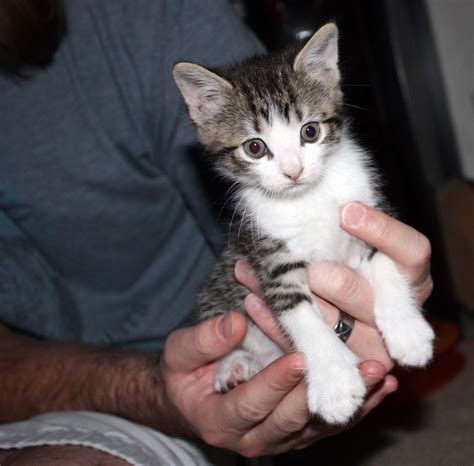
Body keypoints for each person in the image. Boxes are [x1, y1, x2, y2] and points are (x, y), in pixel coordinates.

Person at [0, 0, 433, 464]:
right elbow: (279, 284)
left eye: (308, 133)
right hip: (188, 353)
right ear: (205, 113)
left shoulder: (154, 19)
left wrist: (393, 302)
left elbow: (375, 246)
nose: (291, 169)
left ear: (329, 77)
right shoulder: (258, 202)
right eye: (255, 147)